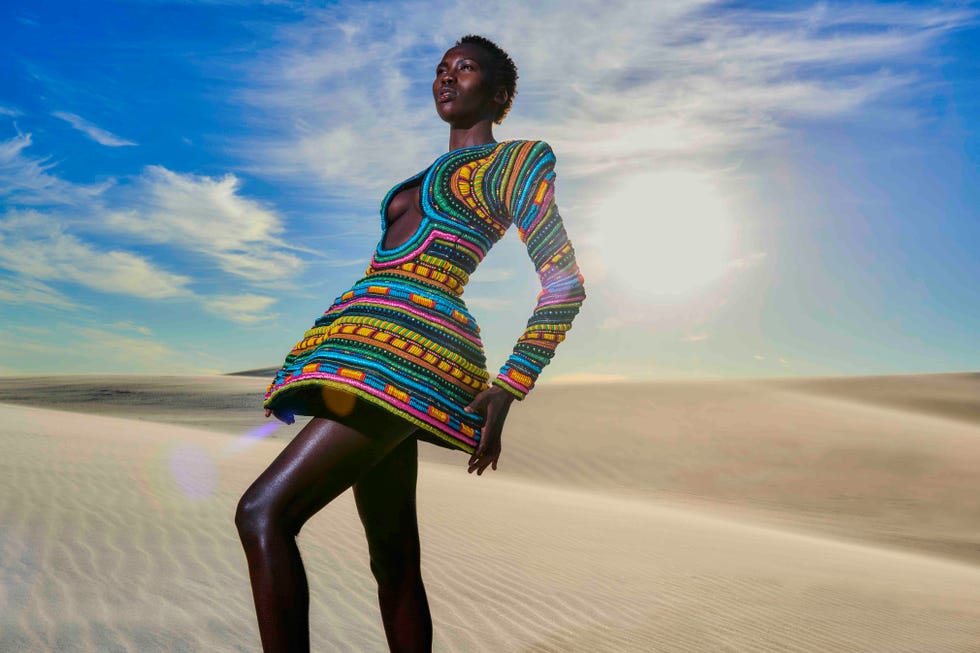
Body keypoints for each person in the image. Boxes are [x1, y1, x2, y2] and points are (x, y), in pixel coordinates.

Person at [235, 34, 587, 652]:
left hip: (411, 359)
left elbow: (564, 284)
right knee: (393, 559)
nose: (447, 78)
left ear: (499, 94)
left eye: (466, 68)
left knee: (262, 512)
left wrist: (507, 387)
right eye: (441, 69)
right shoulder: (422, 176)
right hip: (368, 355)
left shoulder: (516, 161)